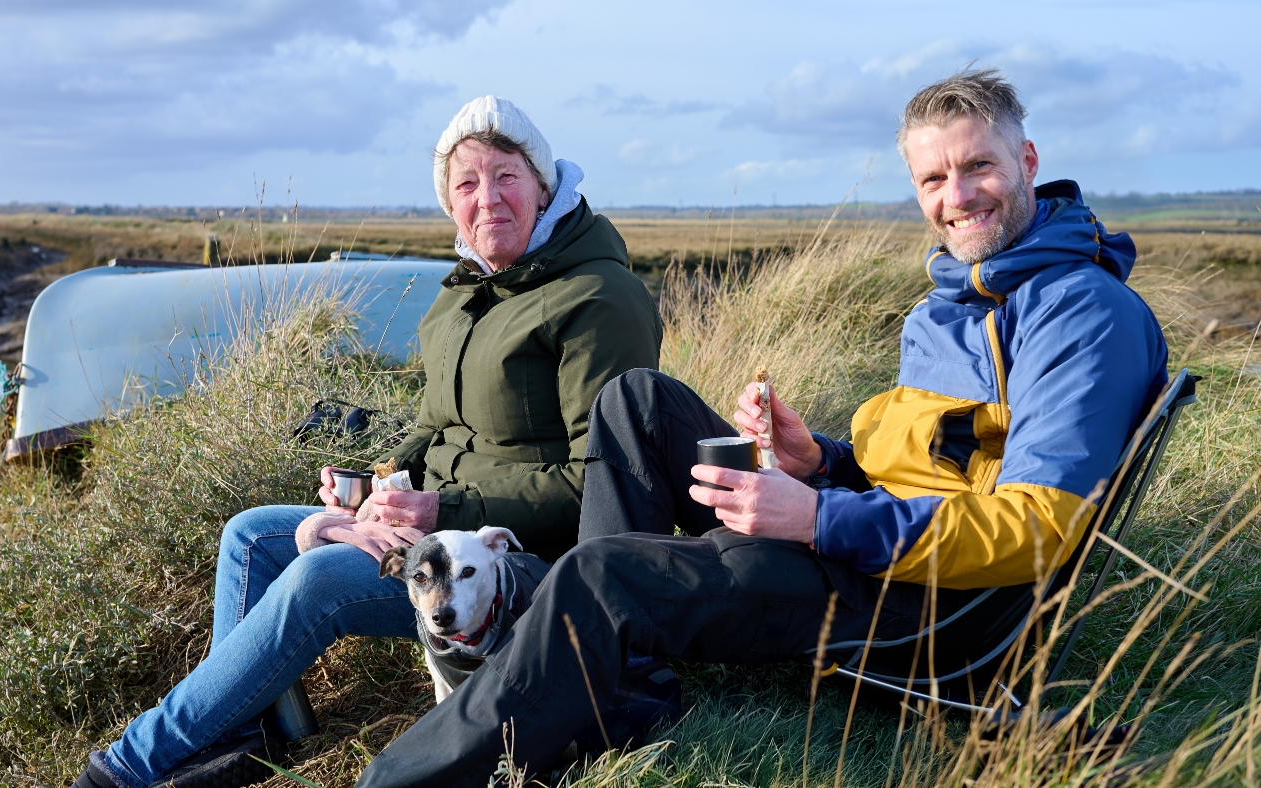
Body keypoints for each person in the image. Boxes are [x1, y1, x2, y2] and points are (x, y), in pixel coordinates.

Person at [351, 69, 1170, 787]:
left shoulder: (1080, 316)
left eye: (979, 166)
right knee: (638, 400)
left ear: (1027, 164)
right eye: (933, 178)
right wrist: (819, 461)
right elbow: (942, 469)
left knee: (597, 575)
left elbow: (1034, 530)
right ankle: (626, 683)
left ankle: (399, 778)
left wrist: (814, 515)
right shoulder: (946, 308)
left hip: (925, 610)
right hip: (863, 541)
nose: (956, 197)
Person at [70, 95, 663, 788]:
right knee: (250, 535)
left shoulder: (598, 296)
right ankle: (242, 727)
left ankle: (128, 767)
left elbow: (600, 483)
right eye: (467, 183)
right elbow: (433, 426)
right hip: (435, 529)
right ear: (450, 204)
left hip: (521, 563)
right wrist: (380, 483)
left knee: (319, 580)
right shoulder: (467, 291)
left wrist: (444, 512)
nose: (489, 198)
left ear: (544, 183)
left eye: (506, 175)